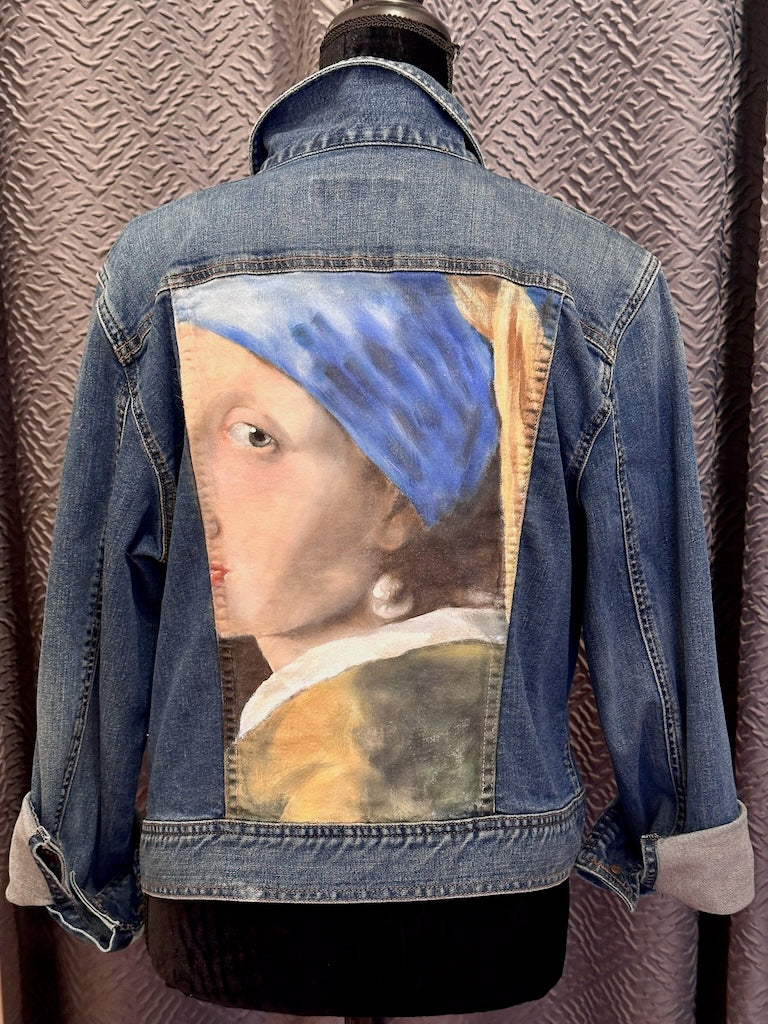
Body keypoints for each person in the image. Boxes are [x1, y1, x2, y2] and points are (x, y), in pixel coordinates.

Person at [173, 269, 546, 822]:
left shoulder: (361, 747)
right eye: (184, 431)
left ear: (397, 510)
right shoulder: (330, 708)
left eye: (256, 437)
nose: (193, 501)